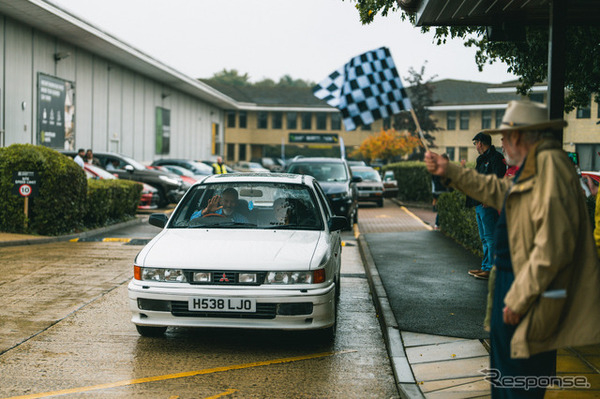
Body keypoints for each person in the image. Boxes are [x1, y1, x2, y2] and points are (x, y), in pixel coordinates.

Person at [425, 100, 600, 398]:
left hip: (528, 291)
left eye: (505, 136)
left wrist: (519, 298)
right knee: (507, 380)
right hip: (515, 285)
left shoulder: (551, 169)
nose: (502, 143)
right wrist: (450, 170)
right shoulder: (536, 167)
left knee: (518, 383)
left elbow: (552, 245)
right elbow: (498, 191)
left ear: (519, 136)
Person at [467, 132, 506, 280]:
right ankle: (485, 267)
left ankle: (491, 269)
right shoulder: (481, 159)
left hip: (487, 204)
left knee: (490, 238)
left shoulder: (496, 158)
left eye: (476, 143)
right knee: (484, 238)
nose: (476, 146)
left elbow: (497, 179)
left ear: (481, 143)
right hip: (478, 203)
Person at [431, 153, 452, 229]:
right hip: (441, 191)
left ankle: (439, 224)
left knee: (444, 209)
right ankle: (438, 224)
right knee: (442, 209)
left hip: (443, 191)